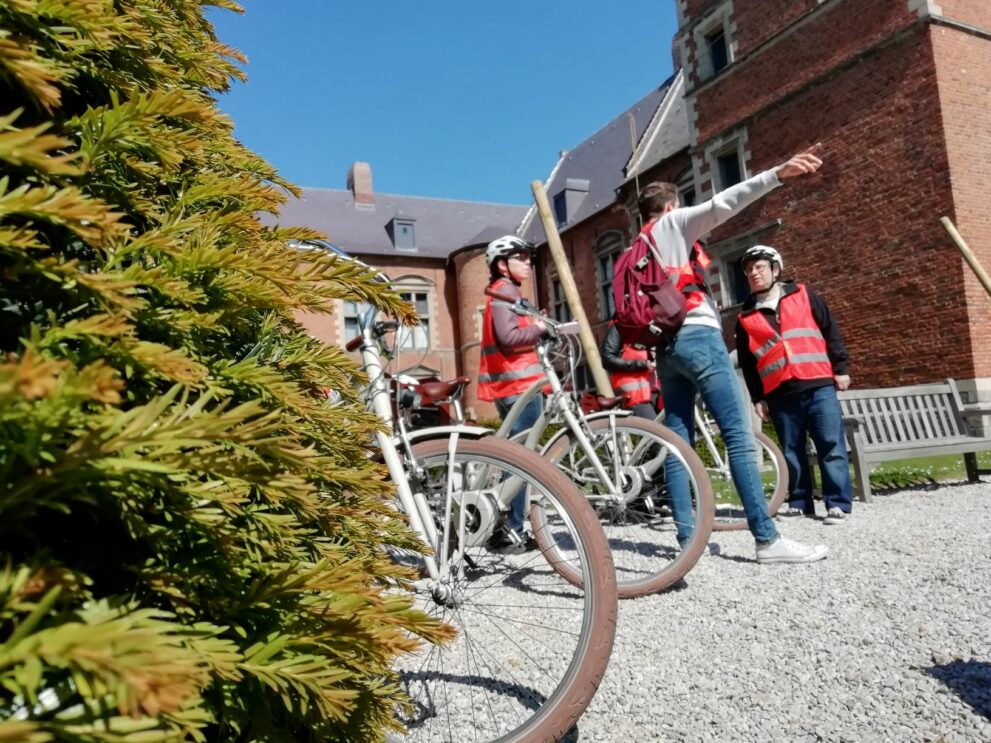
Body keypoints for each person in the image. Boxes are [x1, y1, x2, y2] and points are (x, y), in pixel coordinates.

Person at [640, 144, 829, 564]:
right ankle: (767, 539)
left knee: (678, 442)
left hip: (665, 349)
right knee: (739, 439)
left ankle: (689, 539)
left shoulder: (637, 246)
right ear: (671, 204)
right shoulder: (672, 224)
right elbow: (724, 202)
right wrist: (777, 171)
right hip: (698, 335)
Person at [734, 245, 853, 524]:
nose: (753, 273)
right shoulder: (745, 316)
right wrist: (758, 397)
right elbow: (748, 363)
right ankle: (800, 501)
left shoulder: (803, 294)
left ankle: (837, 504)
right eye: (749, 270)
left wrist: (841, 368)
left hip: (817, 382)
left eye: (759, 267)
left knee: (831, 445)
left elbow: (830, 330)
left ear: (776, 269)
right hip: (780, 392)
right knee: (791, 450)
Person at [477, 234, 547, 552]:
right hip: (520, 386)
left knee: (514, 457)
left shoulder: (506, 293)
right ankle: (513, 530)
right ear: (502, 265)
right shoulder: (505, 291)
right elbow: (508, 336)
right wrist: (541, 330)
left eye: (528, 257)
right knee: (521, 460)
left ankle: (508, 527)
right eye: (521, 257)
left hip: (512, 385)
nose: (528, 262)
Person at [600, 320, 660, 420]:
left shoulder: (655, 321)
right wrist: (643, 365)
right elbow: (608, 360)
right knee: (658, 433)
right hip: (636, 396)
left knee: (672, 433)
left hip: (659, 392)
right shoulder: (620, 325)